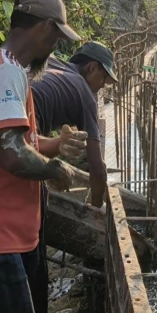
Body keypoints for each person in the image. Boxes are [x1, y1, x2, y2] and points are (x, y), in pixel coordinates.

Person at [0, 0, 88, 313]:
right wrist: (57, 169)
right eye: (56, 36)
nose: (55, 45)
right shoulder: (3, 73)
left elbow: (20, 140)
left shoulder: (10, 70)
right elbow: (13, 154)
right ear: (43, 27)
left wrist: (55, 144)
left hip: (12, 236)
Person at [31, 41, 118, 208]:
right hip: (28, 118)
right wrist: (95, 210)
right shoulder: (84, 93)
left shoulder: (52, 62)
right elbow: (97, 168)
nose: (101, 86)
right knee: (37, 196)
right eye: (103, 80)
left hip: (7, 108)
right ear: (92, 68)